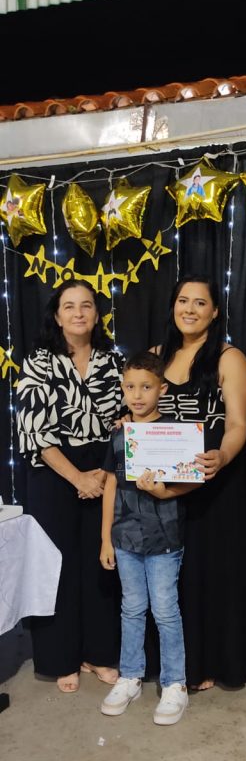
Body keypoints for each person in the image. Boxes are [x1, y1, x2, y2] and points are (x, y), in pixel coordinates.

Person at [153, 273, 246, 689]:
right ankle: (173, 663)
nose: (190, 309)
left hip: (215, 484)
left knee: (212, 573)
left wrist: (223, 456)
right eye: (183, 300)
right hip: (163, 490)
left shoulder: (229, 358)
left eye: (200, 303)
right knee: (170, 580)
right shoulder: (155, 356)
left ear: (215, 312)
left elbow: (237, 424)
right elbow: (139, 410)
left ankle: (212, 662)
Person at [16, 280, 123, 692]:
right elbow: (34, 432)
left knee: (100, 563)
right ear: (57, 316)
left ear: (97, 314)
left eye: (87, 305)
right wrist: (78, 478)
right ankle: (61, 657)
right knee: (57, 566)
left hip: (103, 470)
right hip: (53, 472)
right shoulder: (38, 362)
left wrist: (102, 474)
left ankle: (98, 653)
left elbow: (126, 420)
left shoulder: (114, 362)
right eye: (69, 306)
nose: (78, 313)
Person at [100, 351, 196, 725]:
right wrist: (106, 539)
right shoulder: (119, 434)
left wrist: (163, 491)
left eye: (146, 387)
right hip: (125, 538)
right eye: (130, 387)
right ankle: (130, 676)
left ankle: (175, 684)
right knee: (131, 607)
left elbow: (191, 481)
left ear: (162, 389)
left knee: (166, 610)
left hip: (164, 539)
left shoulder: (177, 433)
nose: (137, 395)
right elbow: (110, 486)